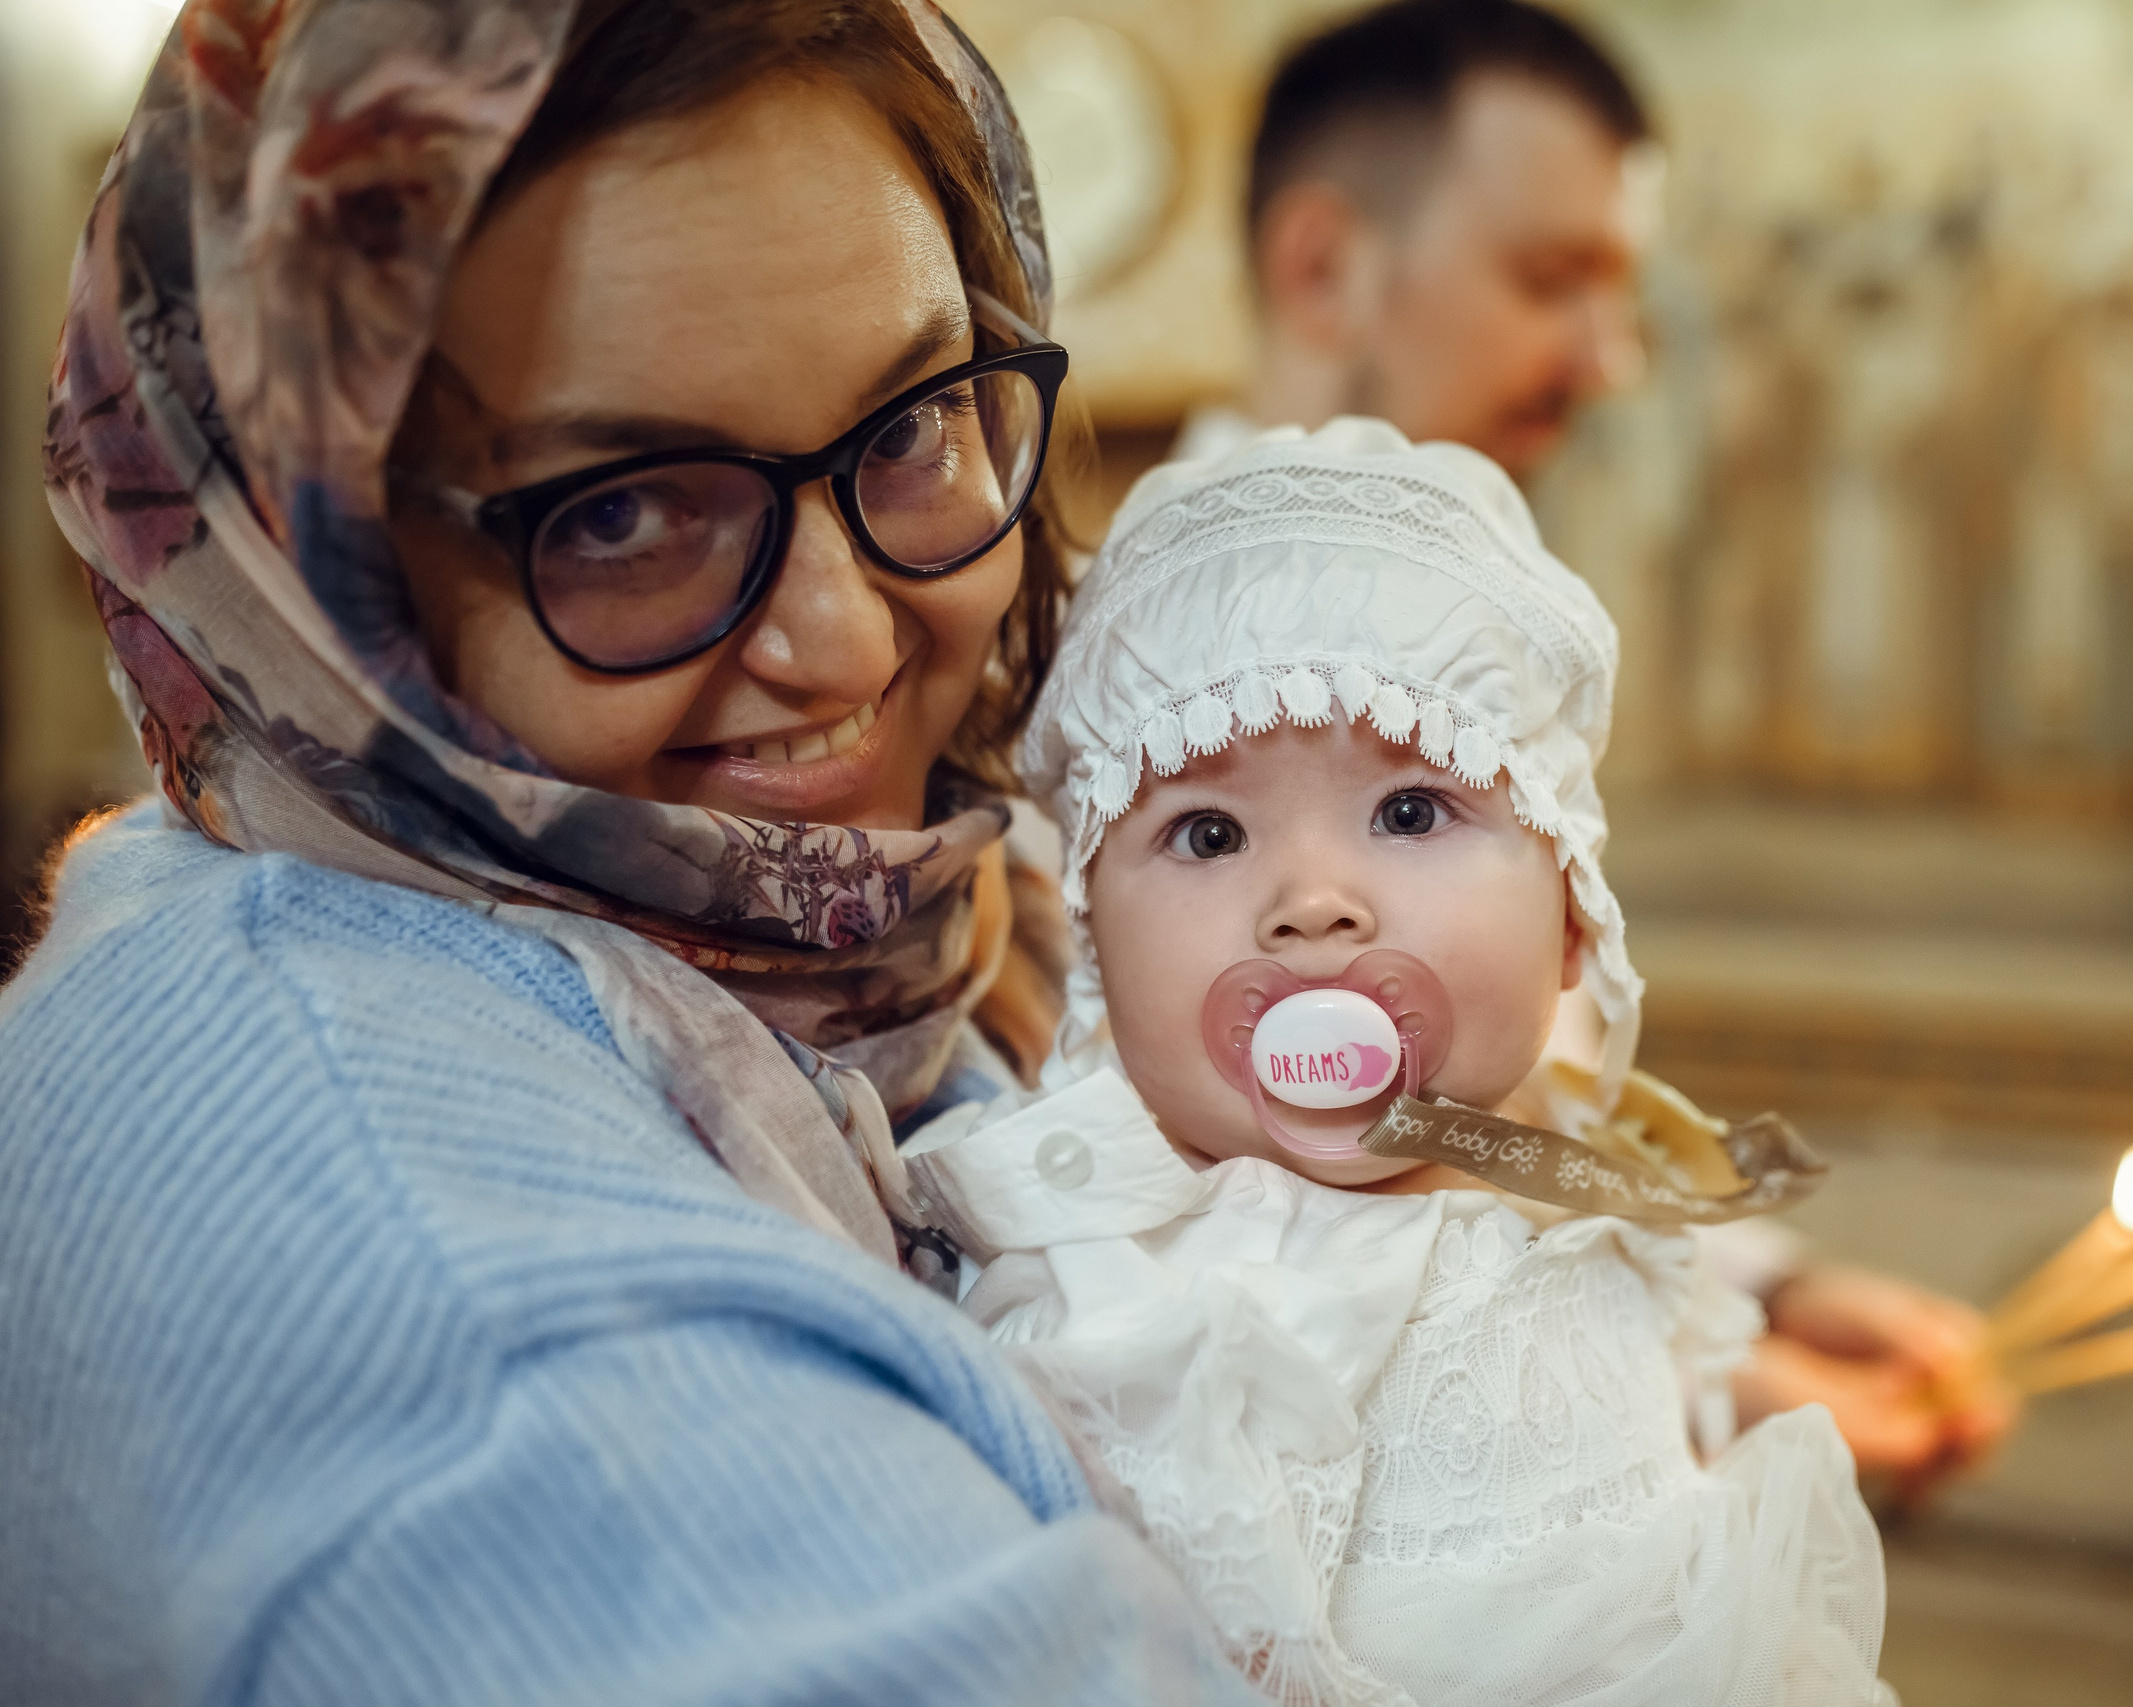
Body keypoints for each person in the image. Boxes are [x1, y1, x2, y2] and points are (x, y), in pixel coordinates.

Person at [0, 2, 1265, 1701]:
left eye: (905, 431)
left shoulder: (893, 957)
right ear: (306, 583)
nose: (846, 639)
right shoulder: (441, 1292)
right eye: (620, 515)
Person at [905, 417, 1892, 1705]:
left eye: (1412, 810)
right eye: (1208, 833)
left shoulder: (1579, 1175)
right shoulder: (1118, 1288)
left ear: (1573, 912)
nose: (1314, 903)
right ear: (1094, 939)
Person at [1177, 0, 2014, 1492]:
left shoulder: (1460, 646)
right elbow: (1249, 1212)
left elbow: (1507, 1109)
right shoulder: (1147, 695)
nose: (1611, 358)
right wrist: (1704, 1379)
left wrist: (1762, 1285)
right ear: (1325, 269)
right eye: (1553, 279)